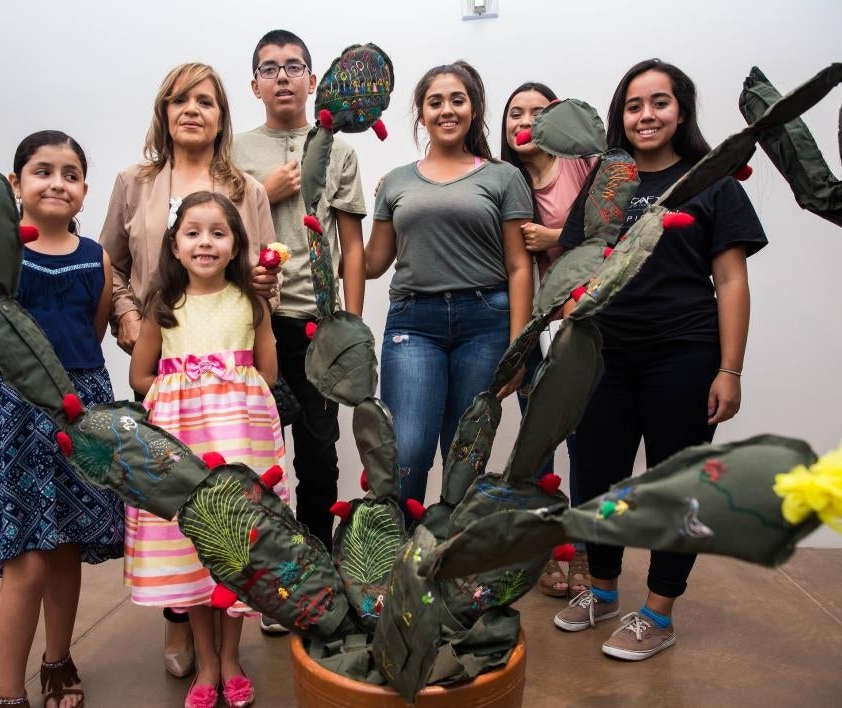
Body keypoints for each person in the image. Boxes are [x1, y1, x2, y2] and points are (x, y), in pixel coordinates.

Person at [552, 59, 767, 661]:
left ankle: (658, 612)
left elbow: (731, 282)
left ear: (681, 110)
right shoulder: (604, 186)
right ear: (619, 115)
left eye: (660, 102)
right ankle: (601, 593)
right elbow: (577, 269)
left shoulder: (712, 181)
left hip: (685, 353)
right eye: (634, 105)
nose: (646, 115)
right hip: (602, 357)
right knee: (595, 479)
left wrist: (730, 369)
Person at [98, 62, 279, 677]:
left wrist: (262, 295)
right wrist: (129, 318)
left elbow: (259, 275)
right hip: (162, 347)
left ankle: (224, 649)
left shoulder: (247, 188)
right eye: (179, 100)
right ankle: (181, 633)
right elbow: (111, 265)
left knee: (225, 505)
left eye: (205, 100)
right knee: (175, 504)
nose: (191, 110)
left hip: (228, 359)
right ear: (163, 111)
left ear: (223, 113)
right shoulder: (134, 181)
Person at [0, 130, 124, 708]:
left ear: (85, 190)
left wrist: (60, 394)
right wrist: (0, 388)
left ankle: (58, 661)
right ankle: (9, 692)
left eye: (70, 174)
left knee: (65, 550)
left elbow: (89, 333)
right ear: (14, 183)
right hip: (4, 419)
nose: (57, 183)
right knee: (28, 562)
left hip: (75, 412)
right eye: (43, 171)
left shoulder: (97, 257)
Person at [130, 191, 286, 708]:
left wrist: (229, 385)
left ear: (236, 244)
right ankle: (205, 659)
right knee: (193, 551)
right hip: (184, 447)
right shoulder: (163, 306)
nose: (205, 242)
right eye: (193, 232)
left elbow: (268, 372)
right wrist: (183, 388)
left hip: (240, 443)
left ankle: (231, 658)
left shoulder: (252, 302)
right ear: (174, 245)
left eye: (218, 233)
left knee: (237, 546)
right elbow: (140, 375)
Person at [366, 61, 533, 510]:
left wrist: (519, 348)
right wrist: (337, 216)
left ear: (474, 109)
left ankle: (447, 563)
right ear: (421, 113)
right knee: (408, 450)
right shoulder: (397, 181)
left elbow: (520, 266)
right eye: (435, 101)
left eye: (457, 100)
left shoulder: (503, 177)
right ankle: (398, 560)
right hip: (413, 323)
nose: (446, 110)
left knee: (464, 454)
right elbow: (373, 263)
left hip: (486, 321)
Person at [234, 29, 366, 564]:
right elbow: (215, 233)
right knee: (260, 454)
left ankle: (315, 566)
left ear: (313, 80)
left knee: (318, 454)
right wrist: (263, 192)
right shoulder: (233, 151)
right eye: (270, 68)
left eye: (293, 66)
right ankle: (269, 573)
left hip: (319, 324)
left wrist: (350, 325)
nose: (282, 76)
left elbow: (352, 247)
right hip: (254, 323)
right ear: (254, 84)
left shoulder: (341, 150)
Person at [500, 81, 596, 599]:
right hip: (530, 327)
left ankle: (582, 549)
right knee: (537, 439)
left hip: (581, 321)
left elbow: (615, 227)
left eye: (539, 112)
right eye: (516, 112)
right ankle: (546, 549)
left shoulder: (583, 167)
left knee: (583, 440)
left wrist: (558, 237)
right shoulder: (501, 179)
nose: (526, 122)